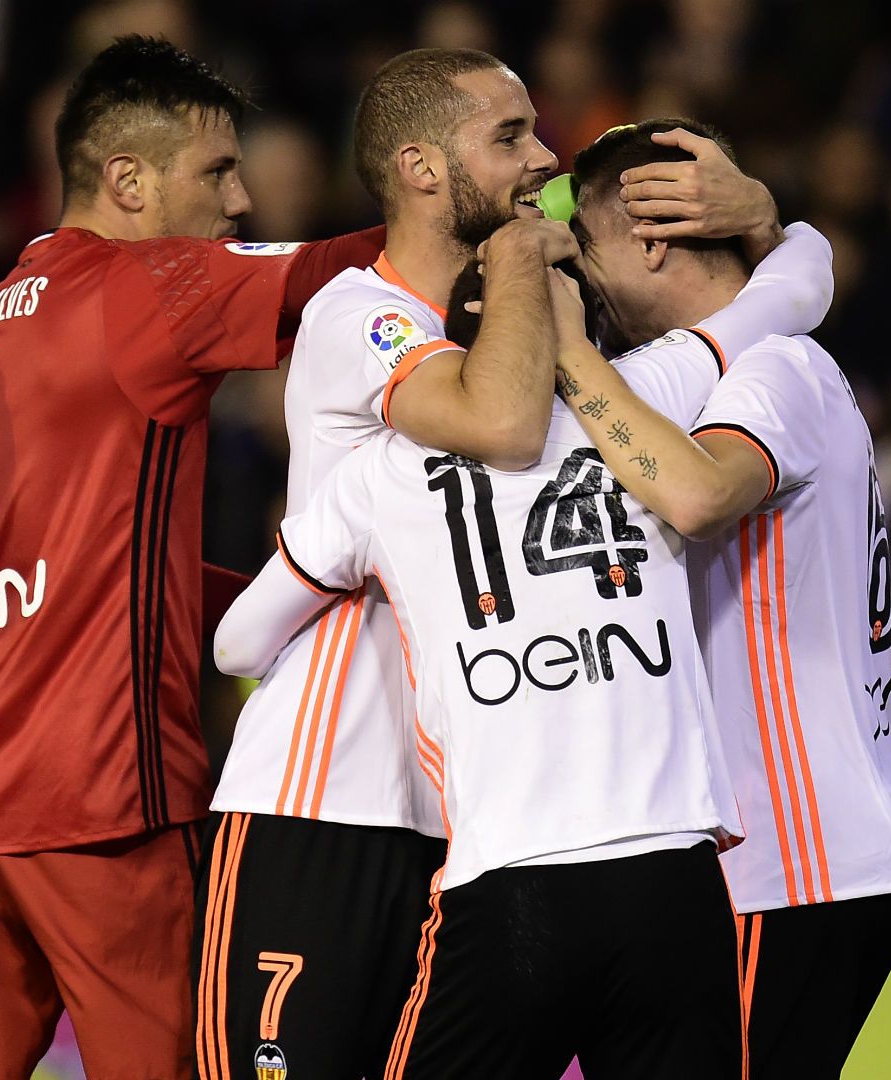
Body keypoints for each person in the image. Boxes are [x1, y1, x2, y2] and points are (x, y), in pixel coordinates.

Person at [198, 50, 801, 1080]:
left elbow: (777, 295)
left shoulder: (535, 293)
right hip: (325, 797)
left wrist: (764, 213)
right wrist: (534, 259)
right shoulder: (361, 314)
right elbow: (506, 422)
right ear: (423, 168)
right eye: (512, 137)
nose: (546, 158)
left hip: (474, 820)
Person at [0, 37, 386, 1080]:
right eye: (217, 173)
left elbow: (77, 571)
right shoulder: (140, 289)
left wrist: (289, 608)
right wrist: (511, 213)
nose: (240, 202)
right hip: (94, 800)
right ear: (129, 180)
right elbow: (352, 277)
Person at [552, 119, 891, 1078]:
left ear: (650, 241)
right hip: (800, 853)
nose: (580, 292)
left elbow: (697, 493)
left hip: (790, 856)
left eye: (582, 257)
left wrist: (571, 361)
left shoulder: (777, 369)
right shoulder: (762, 361)